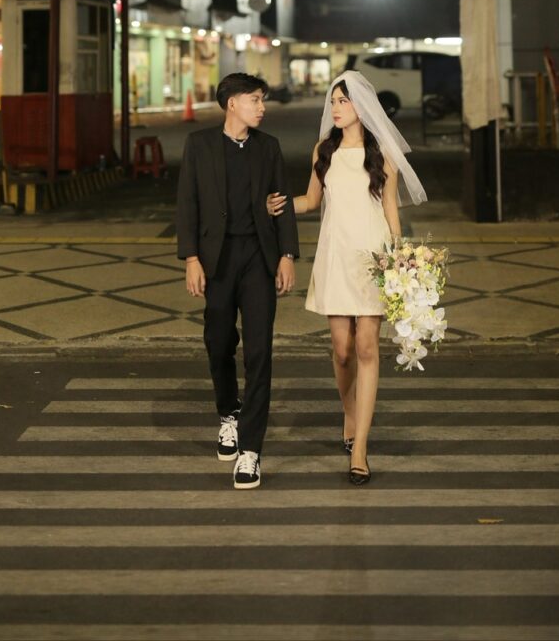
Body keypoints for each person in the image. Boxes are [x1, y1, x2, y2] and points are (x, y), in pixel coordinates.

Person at [268, 70, 426, 486]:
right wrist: (275, 204)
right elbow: (311, 200)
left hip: (373, 259)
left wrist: (401, 261)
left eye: (343, 101)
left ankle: (360, 449)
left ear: (362, 105)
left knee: (367, 347)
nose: (335, 108)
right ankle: (350, 412)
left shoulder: (381, 153)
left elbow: (391, 210)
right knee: (342, 351)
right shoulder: (324, 150)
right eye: (332, 102)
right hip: (335, 257)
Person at [177, 72, 299, 490]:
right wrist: (192, 258)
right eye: (255, 100)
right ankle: (229, 413)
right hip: (218, 259)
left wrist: (286, 254)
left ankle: (250, 449)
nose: (262, 107)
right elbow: (188, 203)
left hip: (258, 259)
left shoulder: (269, 147)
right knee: (218, 343)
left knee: (260, 350)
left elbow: (283, 202)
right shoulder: (199, 145)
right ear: (232, 103)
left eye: (262, 100)